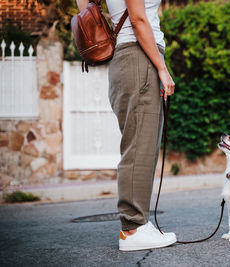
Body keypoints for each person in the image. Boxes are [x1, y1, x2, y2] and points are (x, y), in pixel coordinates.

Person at [76, 0, 176, 251]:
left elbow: (83, 6)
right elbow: (138, 19)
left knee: (140, 142)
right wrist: (162, 68)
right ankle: (132, 229)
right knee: (140, 146)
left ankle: (137, 223)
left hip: (128, 58)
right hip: (138, 55)